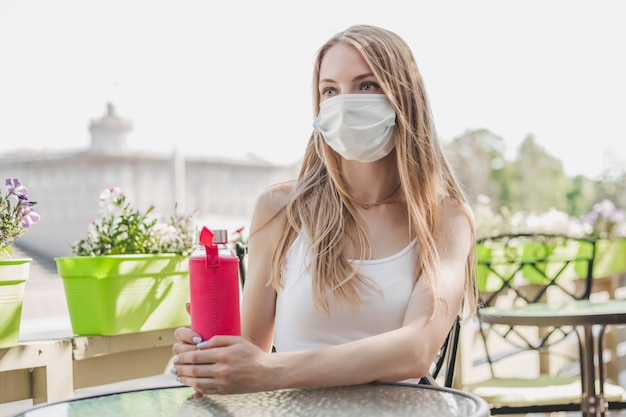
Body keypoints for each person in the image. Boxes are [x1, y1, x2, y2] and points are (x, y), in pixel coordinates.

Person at [172, 24, 477, 395]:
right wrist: (212, 361)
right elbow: (250, 348)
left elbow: (416, 351)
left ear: (405, 98)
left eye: (367, 85)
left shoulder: (445, 219)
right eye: (330, 90)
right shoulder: (280, 209)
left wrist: (272, 370)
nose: (344, 103)